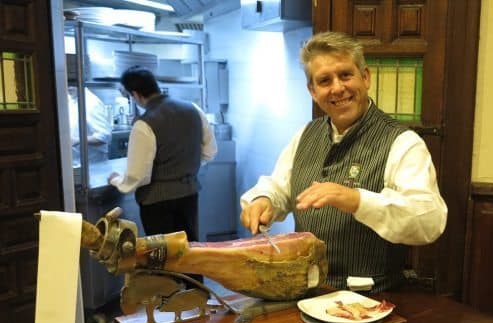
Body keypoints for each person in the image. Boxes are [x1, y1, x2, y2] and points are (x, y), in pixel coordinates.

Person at [239, 31, 448, 293]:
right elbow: (280, 187)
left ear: (365, 77)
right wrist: (265, 200)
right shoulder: (306, 134)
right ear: (313, 91)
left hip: (371, 300)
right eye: (325, 80)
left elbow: (429, 221)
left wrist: (356, 200)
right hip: (305, 291)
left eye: (345, 75)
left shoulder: (403, 142)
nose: (337, 88)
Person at [108, 65, 217, 247]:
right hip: (189, 195)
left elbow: (138, 176)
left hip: (157, 203)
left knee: (163, 258)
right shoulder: (194, 110)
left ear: (135, 94)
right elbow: (210, 151)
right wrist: (183, 167)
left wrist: (117, 180)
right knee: (190, 252)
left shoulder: (144, 124)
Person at [68, 86, 111, 166]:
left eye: (72, 83)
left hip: (93, 166)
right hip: (75, 164)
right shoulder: (70, 98)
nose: (68, 87)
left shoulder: (92, 103)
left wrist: (77, 140)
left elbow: (104, 136)